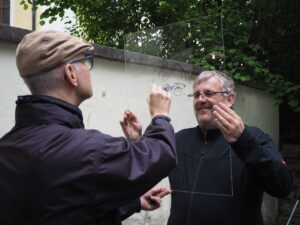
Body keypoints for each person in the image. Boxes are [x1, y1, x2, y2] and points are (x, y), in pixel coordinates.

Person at [0, 30, 177, 225]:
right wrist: (160, 115)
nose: (87, 67)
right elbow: (161, 155)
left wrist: (133, 202)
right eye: (85, 61)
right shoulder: (85, 149)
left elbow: (68, 209)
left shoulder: (7, 148)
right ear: (71, 73)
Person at [166, 70, 293, 225]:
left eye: (209, 93)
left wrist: (243, 141)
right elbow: (147, 167)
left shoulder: (255, 137)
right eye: (196, 95)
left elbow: (283, 186)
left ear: (230, 98)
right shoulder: (179, 139)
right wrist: (136, 140)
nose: (201, 99)